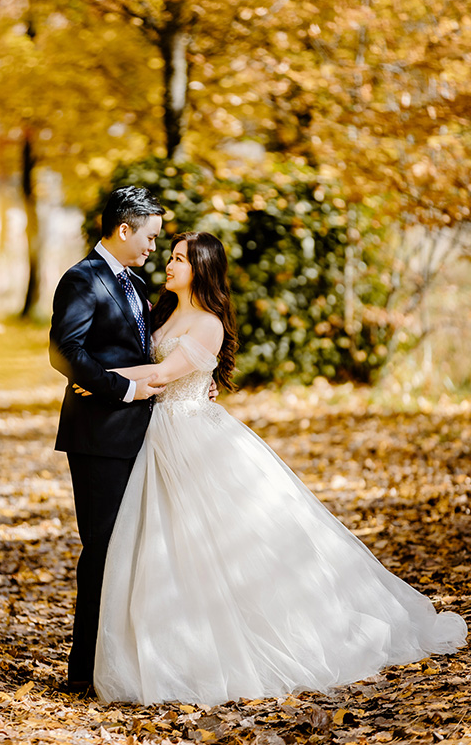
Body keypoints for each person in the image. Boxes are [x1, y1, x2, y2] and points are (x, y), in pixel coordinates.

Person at [93, 231, 467, 706]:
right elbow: (153, 364)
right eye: (170, 256)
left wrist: (95, 377)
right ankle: (172, 646)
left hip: (193, 436)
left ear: (201, 269)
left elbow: (165, 376)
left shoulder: (208, 324)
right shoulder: (160, 312)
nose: (169, 264)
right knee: (163, 544)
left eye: (180, 259)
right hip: (158, 435)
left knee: (226, 542)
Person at [48, 185, 167, 694]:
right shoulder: (82, 279)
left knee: (137, 549)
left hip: (143, 435)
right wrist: (120, 387)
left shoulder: (136, 284)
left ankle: (124, 661)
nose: (153, 248)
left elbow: (148, 350)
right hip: (98, 436)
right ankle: (84, 670)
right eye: (150, 237)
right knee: (102, 549)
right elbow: (63, 351)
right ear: (124, 228)